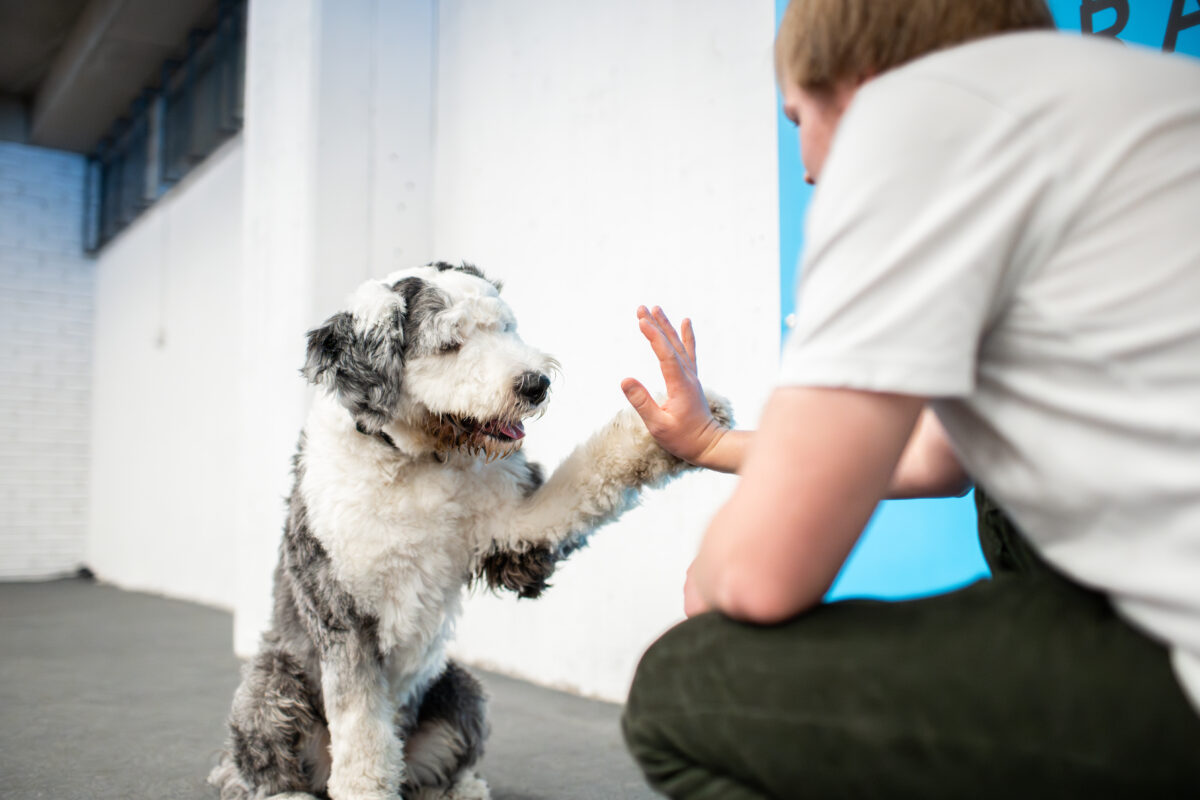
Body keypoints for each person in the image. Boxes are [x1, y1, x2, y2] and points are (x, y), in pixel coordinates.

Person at [617, 0, 1200, 797]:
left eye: (799, 119)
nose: (809, 168)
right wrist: (712, 444)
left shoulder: (918, 121)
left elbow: (756, 575)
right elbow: (939, 453)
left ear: (854, 82)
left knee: (679, 689)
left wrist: (722, 568)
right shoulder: (1147, 101)